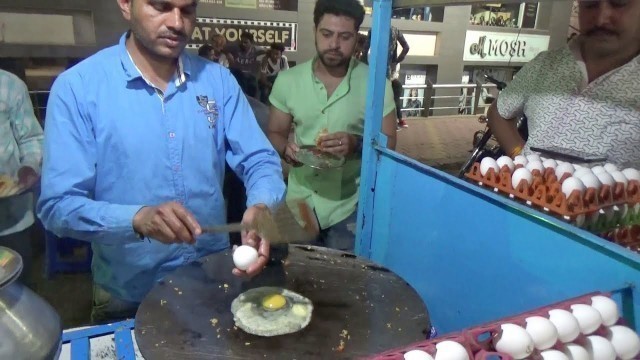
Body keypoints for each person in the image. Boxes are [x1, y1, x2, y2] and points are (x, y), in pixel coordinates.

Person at [37, 0, 286, 324]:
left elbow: (259, 159)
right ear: (126, 4)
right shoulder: (79, 89)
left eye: (187, 10)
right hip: (128, 296)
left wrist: (263, 205)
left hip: (213, 282)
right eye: (161, 6)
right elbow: (58, 205)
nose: (176, 22)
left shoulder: (217, 82)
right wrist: (136, 219)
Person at [267, 0, 397, 252]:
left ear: (357, 38)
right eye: (326, 34)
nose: (334, 45)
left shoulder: (375, 83)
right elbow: (275, 132)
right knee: (295, 276)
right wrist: (285, 148)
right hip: (298, 203)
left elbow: (390, 141)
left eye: (344, 37)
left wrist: (357, 143)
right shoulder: (288, 81)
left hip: (348, 208)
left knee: (344, 282)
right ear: (315, 29)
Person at [487, 0, 640, 167]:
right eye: (590, 4)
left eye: (619, 3)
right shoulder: (545, 64)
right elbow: (499, 112)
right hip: (528, 190)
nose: (601, 18)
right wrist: (520, 155)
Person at [0, 69, 43, 288]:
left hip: (10, 219)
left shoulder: (9, 85)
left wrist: (30, 166)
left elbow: (31, 138)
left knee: (14, 290)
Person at [363, 23, 409, 128]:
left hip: (374, 69)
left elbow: (365, 50)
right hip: (387, 70)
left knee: (373, 96)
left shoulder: (374, 28)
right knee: (387, 98)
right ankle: (390, 124)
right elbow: (406, 47)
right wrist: (396, 61)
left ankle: (373, 123)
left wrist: (365, 64)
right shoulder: (395, 30)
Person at [228, 32, 265, 98]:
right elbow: (223, 48)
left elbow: (269, 52)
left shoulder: (257, 49)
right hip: (239, 76)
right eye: (241, 42)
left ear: (251, 42)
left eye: (246, 42)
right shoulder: (235, 48)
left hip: (250, 77)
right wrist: (229, 55)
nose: (243, 44)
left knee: (253, 84)